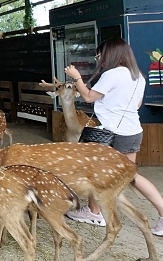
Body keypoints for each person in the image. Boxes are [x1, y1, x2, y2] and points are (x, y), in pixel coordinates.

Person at [65, 38, 163, 236]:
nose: (99, 58)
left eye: (100, 54)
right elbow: (136, 105)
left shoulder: (112, 74)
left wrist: (77, 78)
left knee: (95, 173)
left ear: (111, 54)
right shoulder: (139, 77)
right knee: (131, 177)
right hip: (133, 131)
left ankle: (94, 212)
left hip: (111, 134)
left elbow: (89, 97)